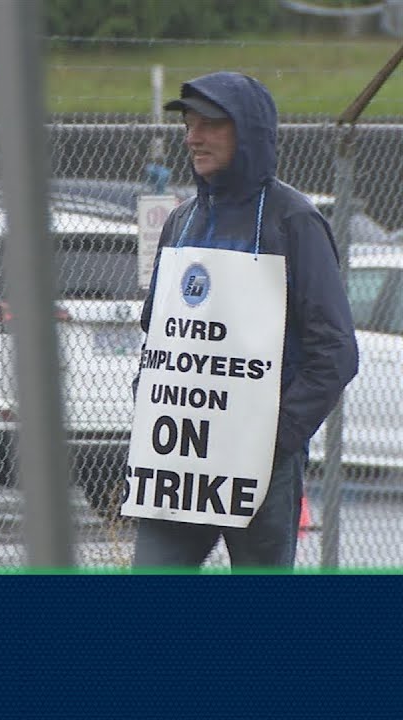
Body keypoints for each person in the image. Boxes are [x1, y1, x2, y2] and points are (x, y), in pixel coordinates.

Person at [127, 72, 358, 569]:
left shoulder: (291, 220)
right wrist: (149, 399)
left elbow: (335, 351)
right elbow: (159, 332)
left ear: (248, 132)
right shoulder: (181, 219)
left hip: (259, 464)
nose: (193, 136)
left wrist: (274, 435)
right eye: (189, 123)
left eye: (210, 124)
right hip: (180, 457)